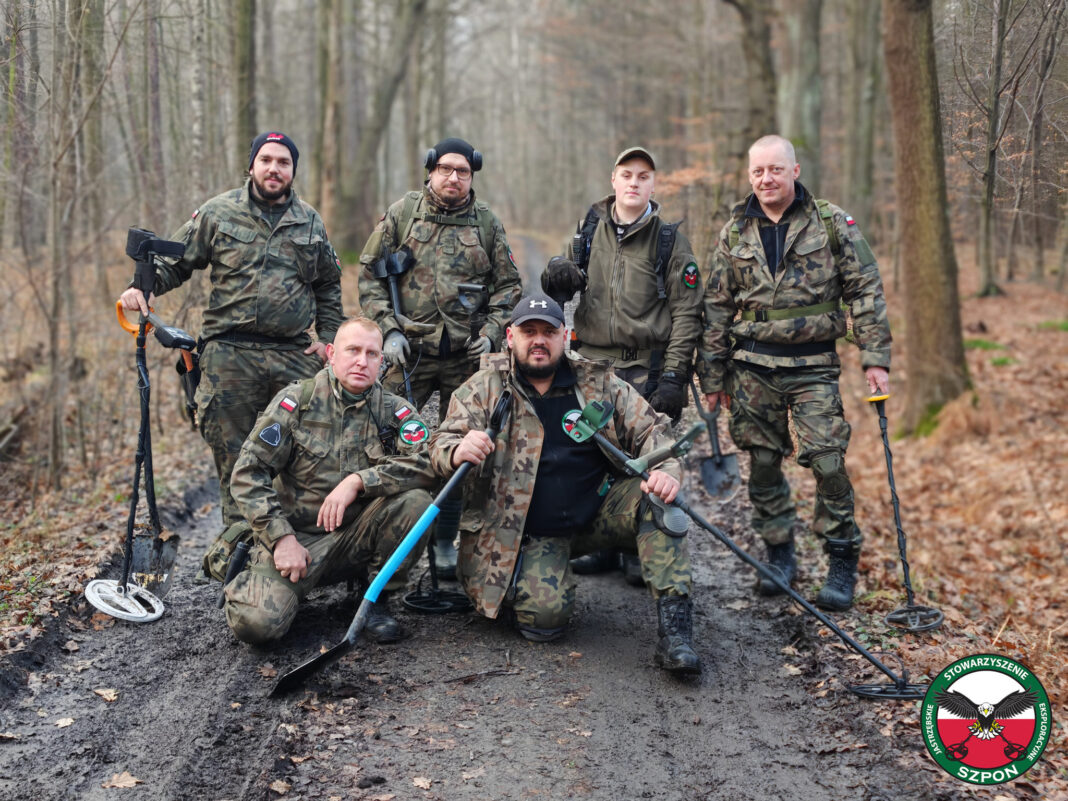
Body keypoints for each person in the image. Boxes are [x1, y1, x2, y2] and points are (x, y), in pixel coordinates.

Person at [427, 293, 701, 674]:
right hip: (528, 531)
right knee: (543, 621)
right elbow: (438, 445)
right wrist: (458, 449)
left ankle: (676, 634)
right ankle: (536, 574)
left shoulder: (598, 383)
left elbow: (655, 433)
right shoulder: (484, 388)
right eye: (529, 332)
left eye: (548, 332)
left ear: (565, 336)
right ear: (510, 337)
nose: (538, 340)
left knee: (660, 500)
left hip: (597, 512)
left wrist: (667, 472)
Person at [696, 134, 892, 611]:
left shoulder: (831, 223)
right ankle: (779, 552)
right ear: (749, 176)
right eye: (758, 171)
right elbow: (717, 309)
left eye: (776, 170)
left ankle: (841, 556)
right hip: (752, 368)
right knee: (763, 463)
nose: (767, 179)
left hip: (814, 367)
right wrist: (713, 379)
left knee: (827, 460)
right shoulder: (733, 232)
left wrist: (875, 358)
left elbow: (865, 288)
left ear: (795, 171)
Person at [118, 131, 345, 536]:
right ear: (253, 165)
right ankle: (239, 565)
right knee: (237, 465)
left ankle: (300, 557)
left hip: (294, 357)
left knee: (303, 457)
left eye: (283, 162)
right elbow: (177, 263)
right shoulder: (218, 213)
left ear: (293, 171)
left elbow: (328, 283)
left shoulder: (309, 220)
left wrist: (327, 338)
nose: (274, 169)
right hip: (229, 357)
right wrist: (144, 288)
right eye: (267, 160)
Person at [358, 137, 522, 578]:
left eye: (463, 172)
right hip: (409, 354)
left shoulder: (486, 223)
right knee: (385, 437)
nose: (453, 177)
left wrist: (490, 333)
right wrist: (388, 330)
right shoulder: (401, 214)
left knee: (467, 448)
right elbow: (370, 277)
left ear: (473, 176)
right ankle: (377, 538)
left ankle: (449, 542)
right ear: (430, 170)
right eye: (446, 169)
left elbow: (509, 288)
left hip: (464, 359)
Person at [540, 145, 703, 582]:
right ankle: (604, 544)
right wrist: (556, 276)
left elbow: (687, 314)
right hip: (590, 363)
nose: (634, 182)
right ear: (613, 180)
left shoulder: (670, 241)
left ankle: (637, 545)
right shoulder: (589, 231)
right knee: (592, 454)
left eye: (643, 176)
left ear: (653, 184)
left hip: (643, 367)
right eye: (626, 174)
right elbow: (559, 289)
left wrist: (674, 376)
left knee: (645, 456)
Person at [221, 317, 436, 645]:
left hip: (357, 536)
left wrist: (359, 481)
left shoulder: (394, 412)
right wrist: (280, 539)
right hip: (299, 541)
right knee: (255, 625)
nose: (362, 361)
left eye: (372, 354)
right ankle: (281, 588)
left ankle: (374, 598)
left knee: (418, 502)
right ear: (332, 353)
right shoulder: (297, 403)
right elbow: (248, 473)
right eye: (353, 350)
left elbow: (425, 463)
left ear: (382, 361)